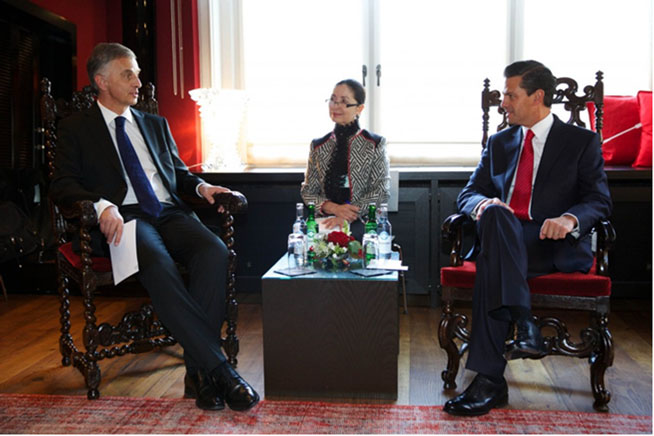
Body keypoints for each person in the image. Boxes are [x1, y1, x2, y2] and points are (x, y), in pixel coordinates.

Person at [49, 43, 259, 412]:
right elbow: (63, 184)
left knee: (215, 252)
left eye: (138, 73)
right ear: (101, 81)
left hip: (167, 212)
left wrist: (202, 187)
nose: (138, 81)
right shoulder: (75, 128)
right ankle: (220, 370)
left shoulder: (154, 124)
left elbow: (177, 173)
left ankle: (200, 372)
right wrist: (101, 206)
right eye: (127, 74)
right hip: (124, 218)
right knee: (157, 261)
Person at [443, 60, 612, 416]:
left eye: (510, 94)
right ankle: (522, 320)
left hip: (549, 242)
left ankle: (490, 382)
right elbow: (469, 193)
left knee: (492, 265)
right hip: (503, 231)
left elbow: (598, 200)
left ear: (537, 97)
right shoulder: (500, 142)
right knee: (497, 215)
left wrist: (569, 219)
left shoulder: (581, 142)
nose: (503, 102)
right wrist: (483, 205)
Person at [300, 79, 390, 236]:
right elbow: (308, 191)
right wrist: (333, 208)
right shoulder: (318, 145)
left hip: (362, 223)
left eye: (344, 102)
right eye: (333, 100)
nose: (336, 106)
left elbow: (381, 189)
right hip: (324, 223)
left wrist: (348, 214)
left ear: (359, 108)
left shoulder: (374, 143)